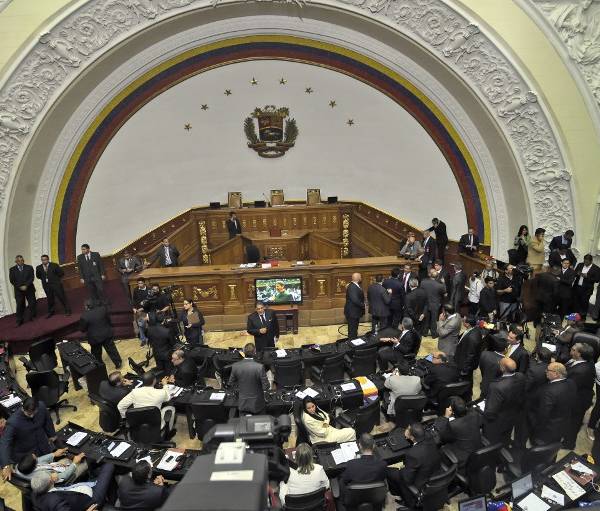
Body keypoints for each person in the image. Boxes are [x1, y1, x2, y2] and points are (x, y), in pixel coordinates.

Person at [386, 423, 441, 507]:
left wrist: (401, 468)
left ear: (412, 437)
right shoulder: (430, 438)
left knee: (388, 471)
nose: (406, 430)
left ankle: (403, 497)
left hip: (420, 483)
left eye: (408, 430)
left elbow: (407, 479)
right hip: (432, 471)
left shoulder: (413, 454)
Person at [0, 398, 55, 482]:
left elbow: (47, 420)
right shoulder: (13, 422)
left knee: (49, 467)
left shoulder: (41, 406)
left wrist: (52, 435)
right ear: (23, 409)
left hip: (43, 445)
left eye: (34, 413)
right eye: (29, 414)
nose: (32, 416)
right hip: (27, 453)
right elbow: (4, 442)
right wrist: (6, 465)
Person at [31, 462, 115, 511]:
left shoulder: (35, 492)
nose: (52, 475)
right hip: (91, 500)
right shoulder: (56, 502)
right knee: (109, 465)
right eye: (50, 475)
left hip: (74, 490)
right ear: (50, 481)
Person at [515, 347, 553, 448]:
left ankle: (519, 445)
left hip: (529, 401)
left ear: (537, 357)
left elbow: (526, 386)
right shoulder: (552, 368)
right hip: (542, 401)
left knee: (522, 425)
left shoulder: (533, 370)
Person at [530, 362, 576, 446]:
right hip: (562, 425)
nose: (545, 371)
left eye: (548, 370)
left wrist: (535, 424)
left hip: (546, 431)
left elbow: (543, 414)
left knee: (540, 449)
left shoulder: (549, 391)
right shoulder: (571, 383)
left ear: (556, 374)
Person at [483, 358, 526, 446]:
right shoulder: (521, 376)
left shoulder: (497, 387)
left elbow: (490, 412)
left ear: (502, 369)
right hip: (512, 416)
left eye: (500, 363)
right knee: (504, 438)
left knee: (491, 441)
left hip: (496, 422)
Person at [433, 397, 482, 467]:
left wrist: (446, 417)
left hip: (463, 457)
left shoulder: (453, 425)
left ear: (452, 411)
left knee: (437, 448)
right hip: (478, 451)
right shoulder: (475, 415)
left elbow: (443, 437)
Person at [564, 343, 595, 449]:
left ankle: (569, 444)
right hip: (579, 394)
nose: (570, 350)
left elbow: (568, 387)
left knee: (573, 423)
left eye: (573, 350)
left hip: (578, 401)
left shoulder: (580, 371)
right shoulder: (585, 360)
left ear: (579, 354)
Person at [340, 434, 387, 501]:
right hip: (374, 497)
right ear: (373, 446)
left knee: (341, 480)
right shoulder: (383, 464)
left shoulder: (351, 464)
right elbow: (382, 478)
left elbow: (345, 480)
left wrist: (355, 461)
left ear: (360, 446)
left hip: (355, 499)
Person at [79, 299, 122, 369]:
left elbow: (82, 329)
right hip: (106, 334)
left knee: (96, 354)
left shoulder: (84, 316)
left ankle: (100, 367)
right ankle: (118, 363)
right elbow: (108, 320)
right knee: (112, 349)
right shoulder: (103, 309)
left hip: (95, 338)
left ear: (86, 306)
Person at [228, 343, 270, 414]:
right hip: (257, 404)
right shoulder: (260, 367)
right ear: (255, 352)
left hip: (242, 403)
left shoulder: (235, 366)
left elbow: (231, 384)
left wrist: (241, 390)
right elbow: (266, 386)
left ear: (243, 352)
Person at [16, 449, 86, 484]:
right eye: (36, 459)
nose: (38, 458)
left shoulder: (20, 467)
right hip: (63, 478)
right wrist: (74, 463)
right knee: (84, 463)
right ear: (34, 466)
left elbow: (39, 460)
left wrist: (54, 454)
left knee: (67, 459)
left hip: (53, 468)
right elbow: (64, 476)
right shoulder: (44, 477)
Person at [454, 316, 483, 387]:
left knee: (465, 381)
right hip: (462, 359)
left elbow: (471, 355)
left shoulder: (472, 337)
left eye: (463, 321)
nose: (462, 321)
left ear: (468, 324)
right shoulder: (472, 330)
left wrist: (465, 370)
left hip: (464, 364)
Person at [9, 254, 37, 326]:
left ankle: (32, 316)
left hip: (29, 289)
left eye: (22, 260)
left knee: (32, 303)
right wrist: (20, 287)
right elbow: (12, 280)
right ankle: (19, 320)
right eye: (19, 261)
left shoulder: (29, 267)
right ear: (16, 261)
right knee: (20, 305)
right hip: (19, 291)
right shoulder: (12, 269)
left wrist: (26, 285)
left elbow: (32, 277)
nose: (21, 262)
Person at [420, 268, 446, 338]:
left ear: (429, 275)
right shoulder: (440, 285)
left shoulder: (423, 282)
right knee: (433, 320)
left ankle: (424, 332)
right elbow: (444, 292)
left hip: (425, 304)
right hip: (435, 304)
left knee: (426, 319)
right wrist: (443, 283)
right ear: (437, 277)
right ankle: (434, 334)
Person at [573, 254, 600, 319]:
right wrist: (577, 273)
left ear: (591, 261)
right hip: (577, 287)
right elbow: (574, 273)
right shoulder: (580, 265)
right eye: (585, 261)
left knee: (584, 304)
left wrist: (587, 276)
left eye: (587, 262)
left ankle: (582, 318)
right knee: (575, 303)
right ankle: (574, 317)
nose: (585, 263)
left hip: (587, 290)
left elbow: (597, 280)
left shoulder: (596, 268)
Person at [344, 273, 365, 340]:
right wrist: (363, 304)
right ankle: (352, 342)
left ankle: (353, 340)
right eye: (360, 277)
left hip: (354, 312)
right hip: (352, 312)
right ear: (358, 278)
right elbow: (355, 300)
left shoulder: (353, 285)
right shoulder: (352, 287)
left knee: (354, 329)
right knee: (352, 330)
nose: (361, 278)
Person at [132, 278, 150, 346]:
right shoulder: (136, 289)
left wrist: (142, 308)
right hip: (138, 311)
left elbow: (149, 301)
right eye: (138, 283)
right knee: (140, 325)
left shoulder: (148, 290)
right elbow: (134, 300)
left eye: (141, 283)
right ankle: (143, 339)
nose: (139, 285)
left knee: (147, 325)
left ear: (144, 283)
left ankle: (150, 338)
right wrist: (134, 308)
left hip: (147, 310)